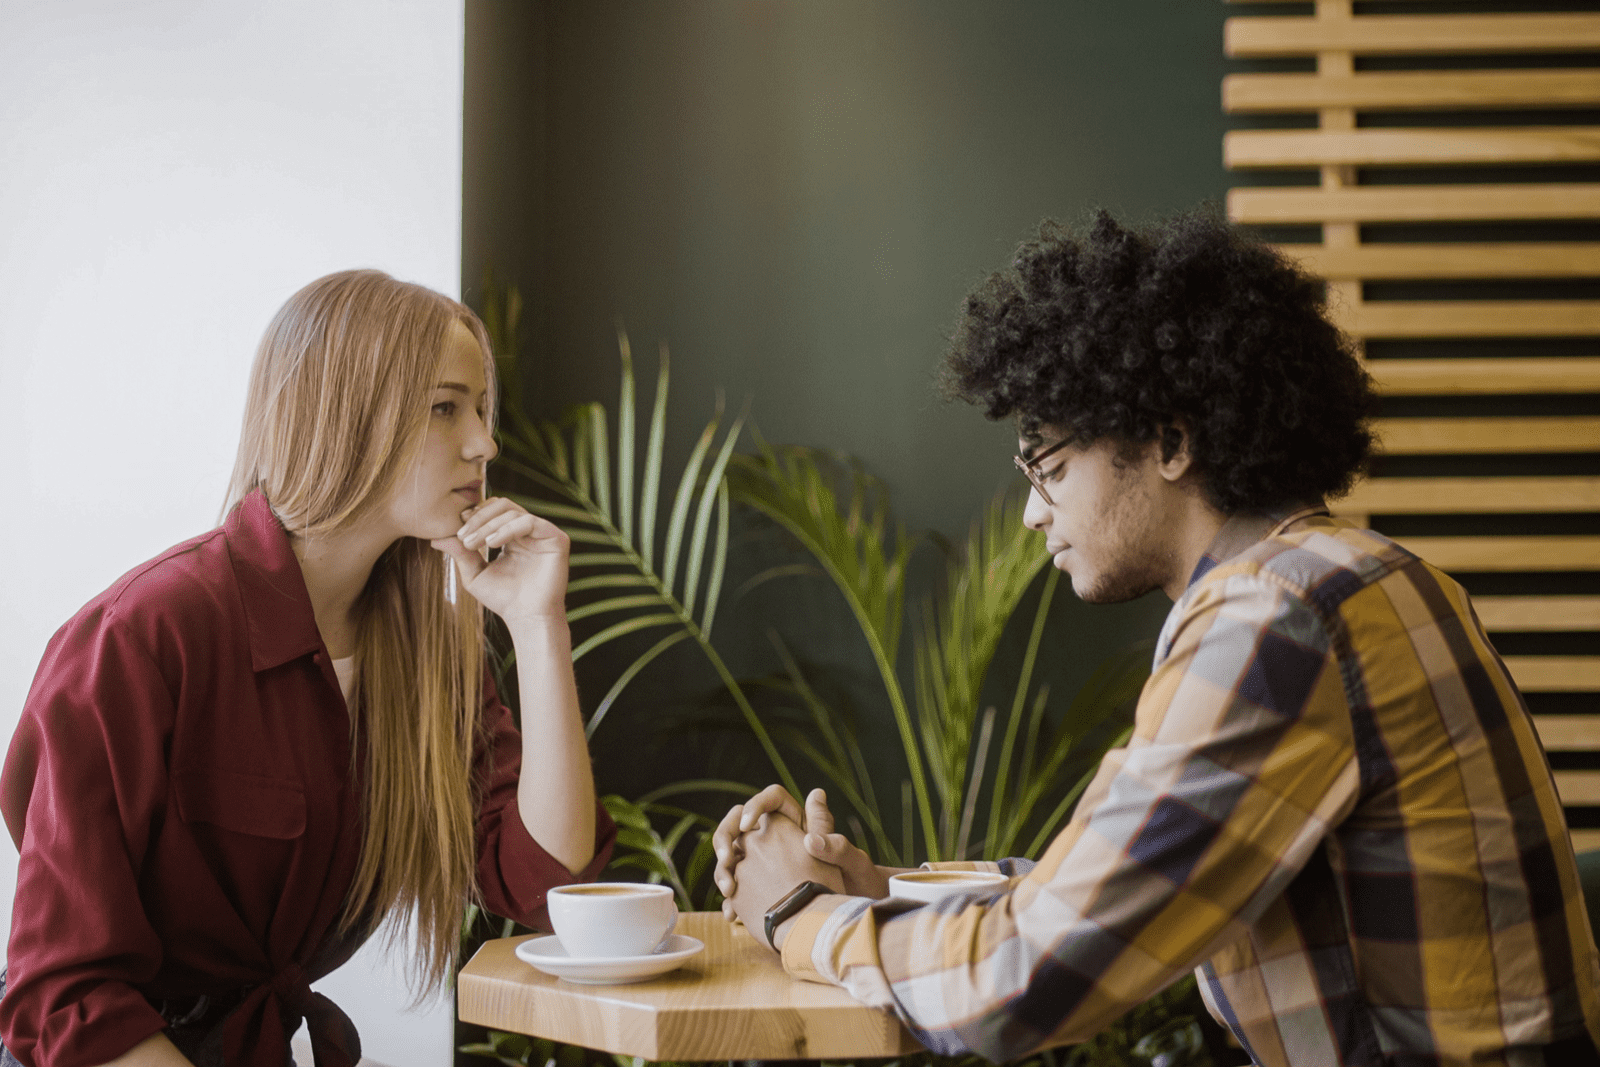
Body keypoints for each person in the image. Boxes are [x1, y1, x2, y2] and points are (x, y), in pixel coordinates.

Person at [713, 210, 1600, 1065]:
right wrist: (885, 895)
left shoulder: (1277, 618)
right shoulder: (1368, 576)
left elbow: (1031, 980)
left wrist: (798, 913)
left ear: (1171, 440)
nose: (1030, 514)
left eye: (1051, 468)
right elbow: (1120, 883)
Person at [0, 270, 615, 1066]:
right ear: (349, 415)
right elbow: (65, 991)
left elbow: (542, 879)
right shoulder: (142, 637)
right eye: (445, 407)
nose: (484, 443)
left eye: (480, 410)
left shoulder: (426, 653)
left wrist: (537, 623)